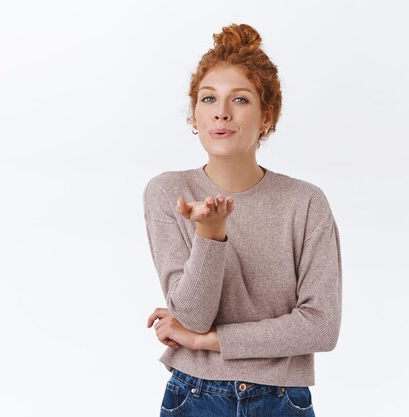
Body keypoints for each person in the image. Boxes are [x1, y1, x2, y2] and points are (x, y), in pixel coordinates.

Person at [142, 23, 342, 417]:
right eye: (208, 98)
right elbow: (193, 315)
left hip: (283, 399)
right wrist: (210, 234)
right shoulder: (168, 193)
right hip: (193, 396)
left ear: (267, 115)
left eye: (240, 100)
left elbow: (320, 327)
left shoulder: (305, 202)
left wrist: (209, 342)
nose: (221, 112)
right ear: (194, 114)